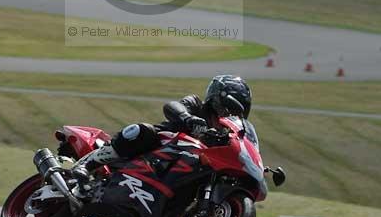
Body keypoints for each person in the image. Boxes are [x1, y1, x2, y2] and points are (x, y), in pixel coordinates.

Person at [70, 75, 258, 196]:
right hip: (154, 149)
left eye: (236, 109)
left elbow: (243, 146)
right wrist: (188, 118)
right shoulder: (196, 105)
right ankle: (87, 165)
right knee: (141, 131)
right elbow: (173, 106)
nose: (230, 112)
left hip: (182, 170)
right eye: (229, 106)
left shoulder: (227, 133)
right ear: (217, 99)